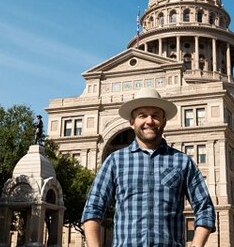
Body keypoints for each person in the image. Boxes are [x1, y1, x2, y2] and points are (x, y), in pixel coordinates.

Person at [81, 88, 215, 246]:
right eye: (142, 115)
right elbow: (92, 209)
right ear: (132, 122)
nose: (149, 121)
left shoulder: (183, 162)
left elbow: (205, 209)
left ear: (164, 121)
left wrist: (196, 245)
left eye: (156, 115)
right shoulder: (115, 161)